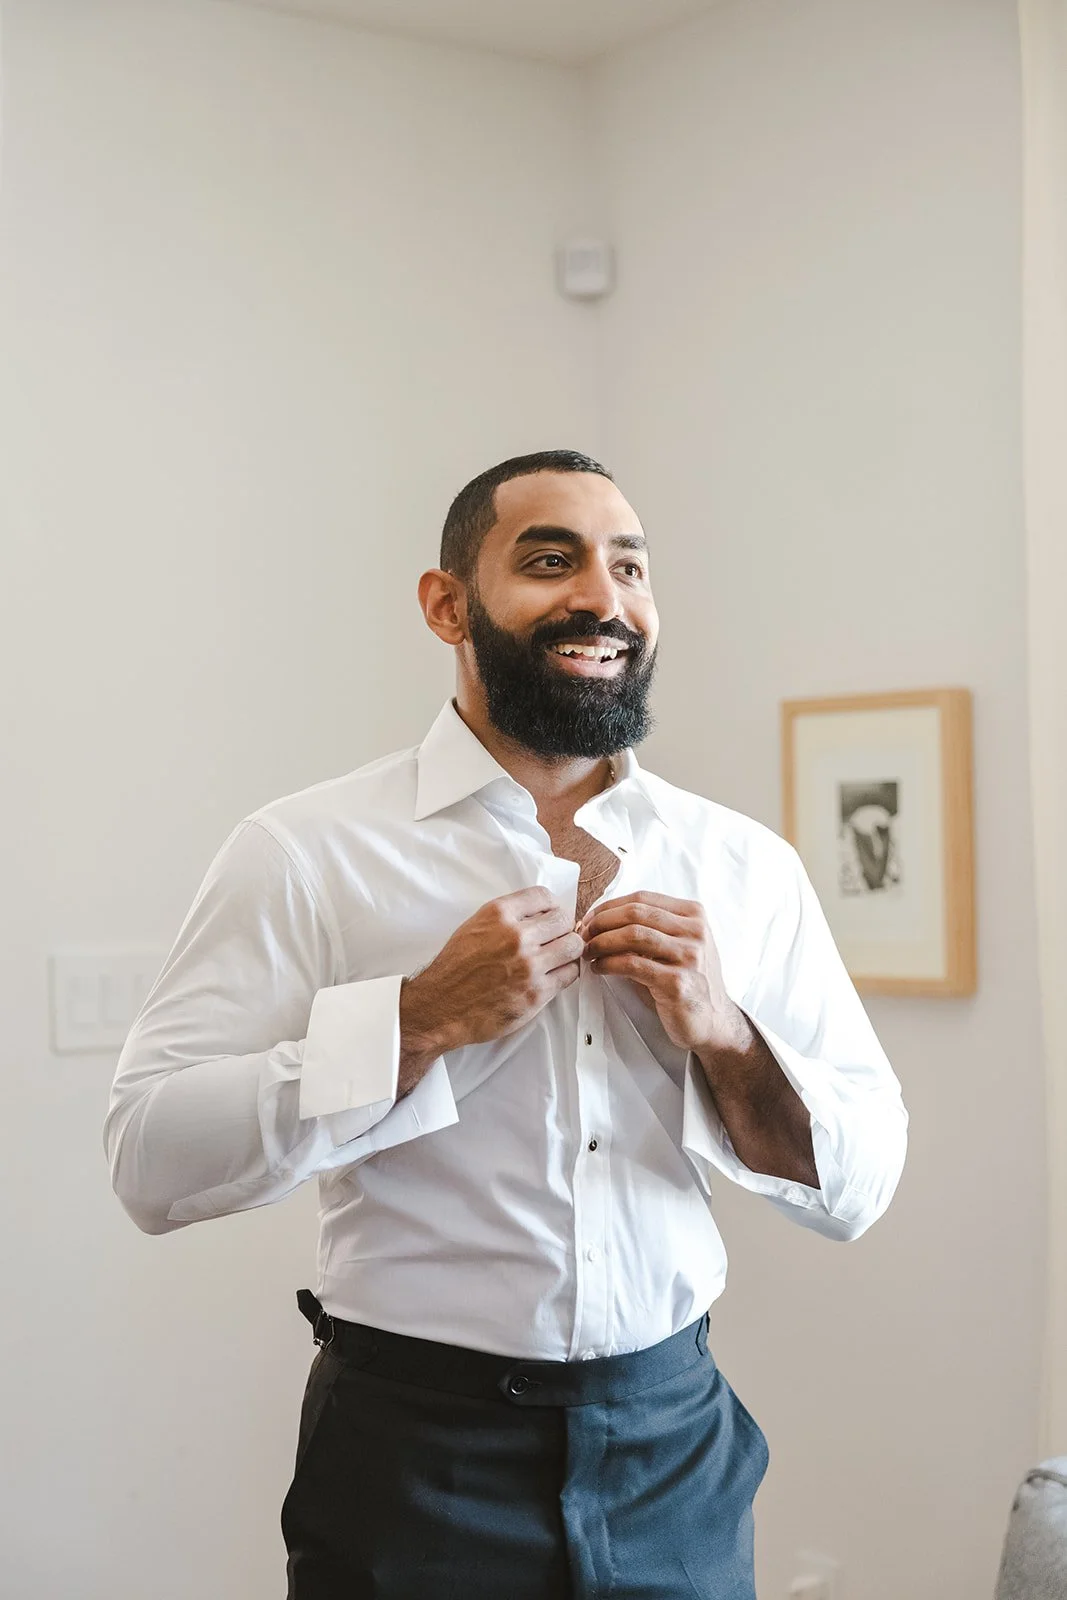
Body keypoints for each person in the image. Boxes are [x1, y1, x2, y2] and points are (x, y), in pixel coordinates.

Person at [105, 449, 908, 1600]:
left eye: (628, 565)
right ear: (446, 605)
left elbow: (860, 1184)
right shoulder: (304, 852)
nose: (601, 597)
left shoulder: (744, 867)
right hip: (410, 1458)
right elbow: (148, 1157)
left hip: (673, 1447)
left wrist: (724, 1033)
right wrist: (414, 1019)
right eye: (549, 560)